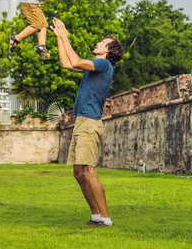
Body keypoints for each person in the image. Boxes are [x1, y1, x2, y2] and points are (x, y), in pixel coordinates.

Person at [50, 17, 124, 227]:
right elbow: (66, 63)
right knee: (78, 172)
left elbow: (74, 61)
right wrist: (60, 38)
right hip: (82, 122)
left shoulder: (104, 64)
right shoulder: (98, 67)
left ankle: (106, 218)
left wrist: (66, 37)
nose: (97, 43)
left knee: (89, 171)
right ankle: (96, 216)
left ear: (108, 50)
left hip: (90, 123)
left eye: (102, 42)